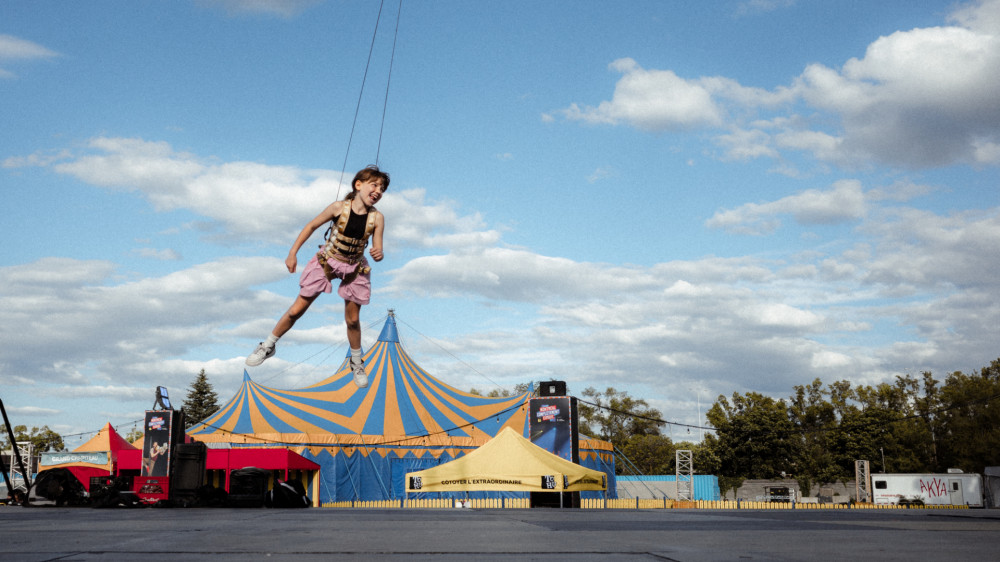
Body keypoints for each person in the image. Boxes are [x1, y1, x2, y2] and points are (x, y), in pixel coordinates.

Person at [245, 165, 389, 388]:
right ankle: (268, 345)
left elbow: (377, 249)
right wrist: (293, 253)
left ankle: (357, 361)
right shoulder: (338, 207)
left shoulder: (377, 218)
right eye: (374, 185)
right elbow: (311, 225)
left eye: (382, 188)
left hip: (354, 267)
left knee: (352, 319)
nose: (378, 191)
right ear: (358, 185)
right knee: (296, 310)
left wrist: (378, 253)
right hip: (327, 261)